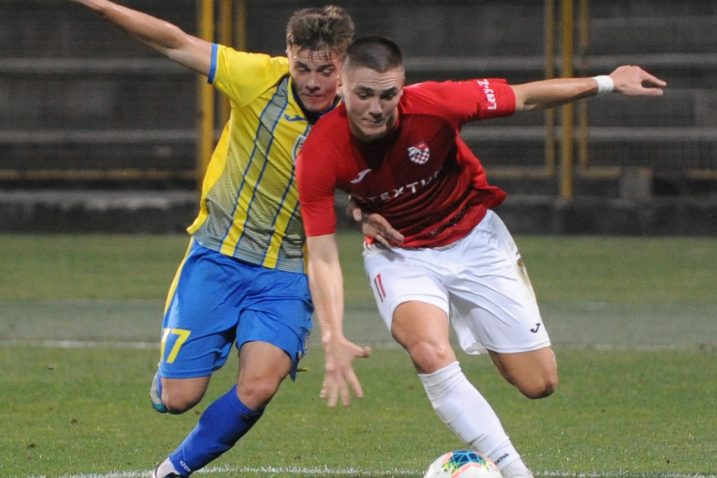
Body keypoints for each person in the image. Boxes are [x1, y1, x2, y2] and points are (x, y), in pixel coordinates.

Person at [296, 36, 666, 478]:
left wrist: (607, 82)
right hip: (402, 255)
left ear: (403, 86)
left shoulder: (438, 104)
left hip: (475, 240)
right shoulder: (320, 150)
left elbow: (525, 97)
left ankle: (487, 331)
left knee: (538, 383)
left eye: (388, 94)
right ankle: (516, 472)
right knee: (429, 351)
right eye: (363, 94)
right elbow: (321, 254)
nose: (375, 108)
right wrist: (333, 335)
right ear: (341, 86)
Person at [71, 1, 360, 476]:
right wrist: (102, 6)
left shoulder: (360, 110)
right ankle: (171, 376)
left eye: (325, 70)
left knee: (259, 386)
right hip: (217, 255)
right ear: (287, 53)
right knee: (179, 397)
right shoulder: (256, 78)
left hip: (285, 270)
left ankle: (170, 471)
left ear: (344, 64)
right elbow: (174, 40)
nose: (312, 81)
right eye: (302, 66)